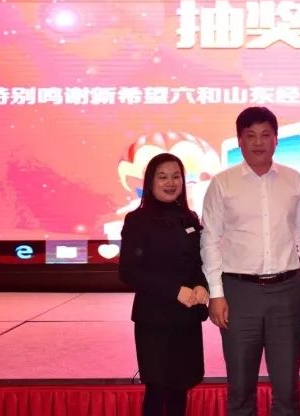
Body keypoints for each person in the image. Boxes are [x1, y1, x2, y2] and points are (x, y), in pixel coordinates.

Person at [201, 107, 300, 416]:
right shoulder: (223, 183)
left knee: (287, 388)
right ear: (239, 141)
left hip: (287, 291)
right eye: (250, 136)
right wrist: (216, 294)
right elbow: (209, 240)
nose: (258, 142)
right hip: (239, 293)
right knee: (240, 388)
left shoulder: (293, 180)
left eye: (265, 135)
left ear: (276, 139)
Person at [119, 152, 209, 416]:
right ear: (150, 182)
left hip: (187, 318)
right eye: (163, 177)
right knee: (157, 391)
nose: (170, 183)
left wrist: (202, 285)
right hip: (155, 321)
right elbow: (129, 271)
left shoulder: (190, 217)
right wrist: (175, 290)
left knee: (180, 388)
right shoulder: (137, 220)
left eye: (176, 176)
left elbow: (197, 262)